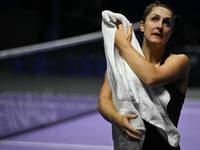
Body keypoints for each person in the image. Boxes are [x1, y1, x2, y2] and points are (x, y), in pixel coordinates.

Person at [97, 1, 190, 150]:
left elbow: (151, 77)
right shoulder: (121, 64)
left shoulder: (180, 61)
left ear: (170, 32)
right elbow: (102, 101)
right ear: (142, 26)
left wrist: (122, 44)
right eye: (154, 19)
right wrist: (117, 119)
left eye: (166, 23)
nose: (159, 26)